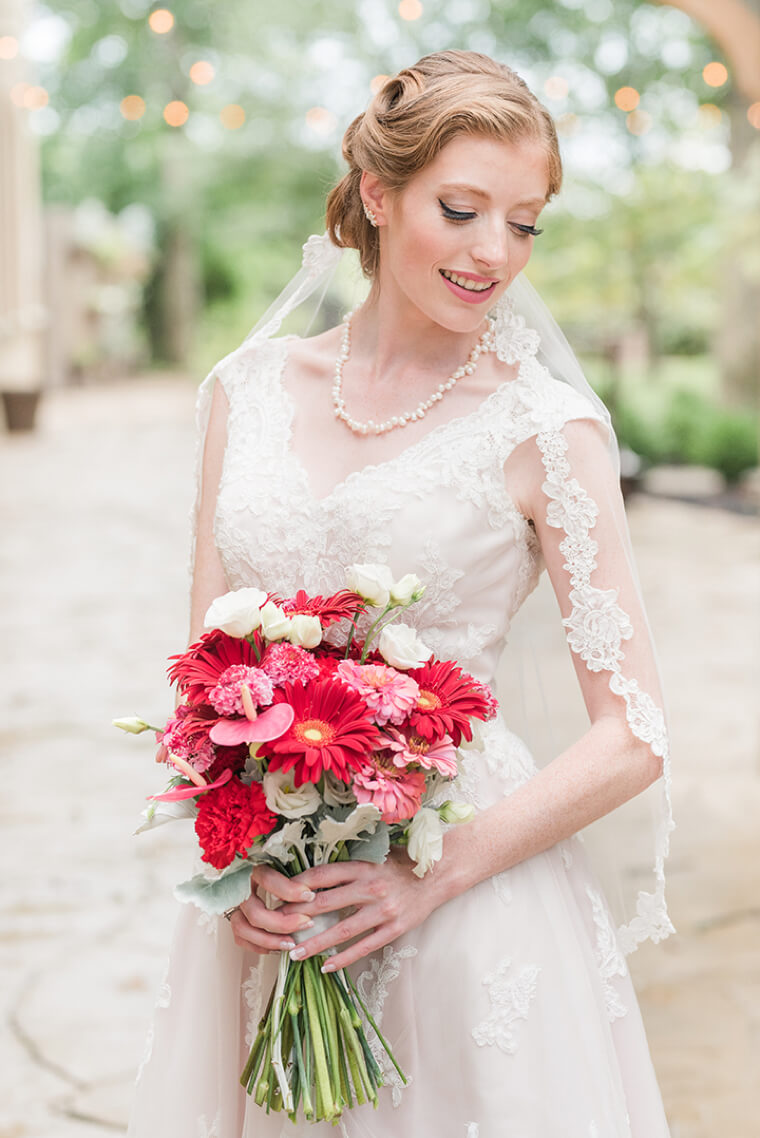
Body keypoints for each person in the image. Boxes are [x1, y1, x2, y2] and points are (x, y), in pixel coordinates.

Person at [129, 49, 675, 1138]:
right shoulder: (244, 393)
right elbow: (204, 667)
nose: (494, 254)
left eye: (524, 223)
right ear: (376, 196)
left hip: (463, 896)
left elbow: (635, 733)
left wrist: (435, 872)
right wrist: (241, 847)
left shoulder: (544, 428)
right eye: (463, 209)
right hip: (274, 902)